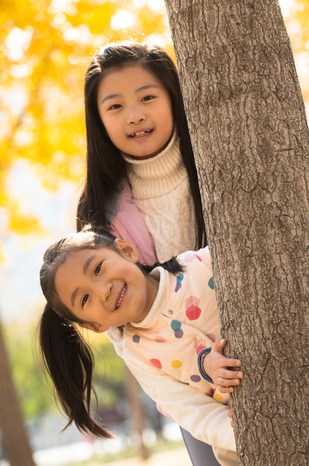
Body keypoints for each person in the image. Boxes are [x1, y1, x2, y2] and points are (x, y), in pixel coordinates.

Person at [74, 41, 222, 464]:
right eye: (115, 106)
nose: (135, 114)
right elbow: (123, 328)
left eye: (147, 97)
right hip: (192, 380)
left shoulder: (218, 162)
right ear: (99, 121)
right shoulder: (100, 216)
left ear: (174, 98)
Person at [38, 230, 242, 465]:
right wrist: (245, 434)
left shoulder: (199, 265)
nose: (103, 291)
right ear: (94, 326)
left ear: (127, 251)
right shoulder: (138, 354)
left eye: (97, 269)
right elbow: (191, 410)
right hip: (238, 444)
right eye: (85, 299)